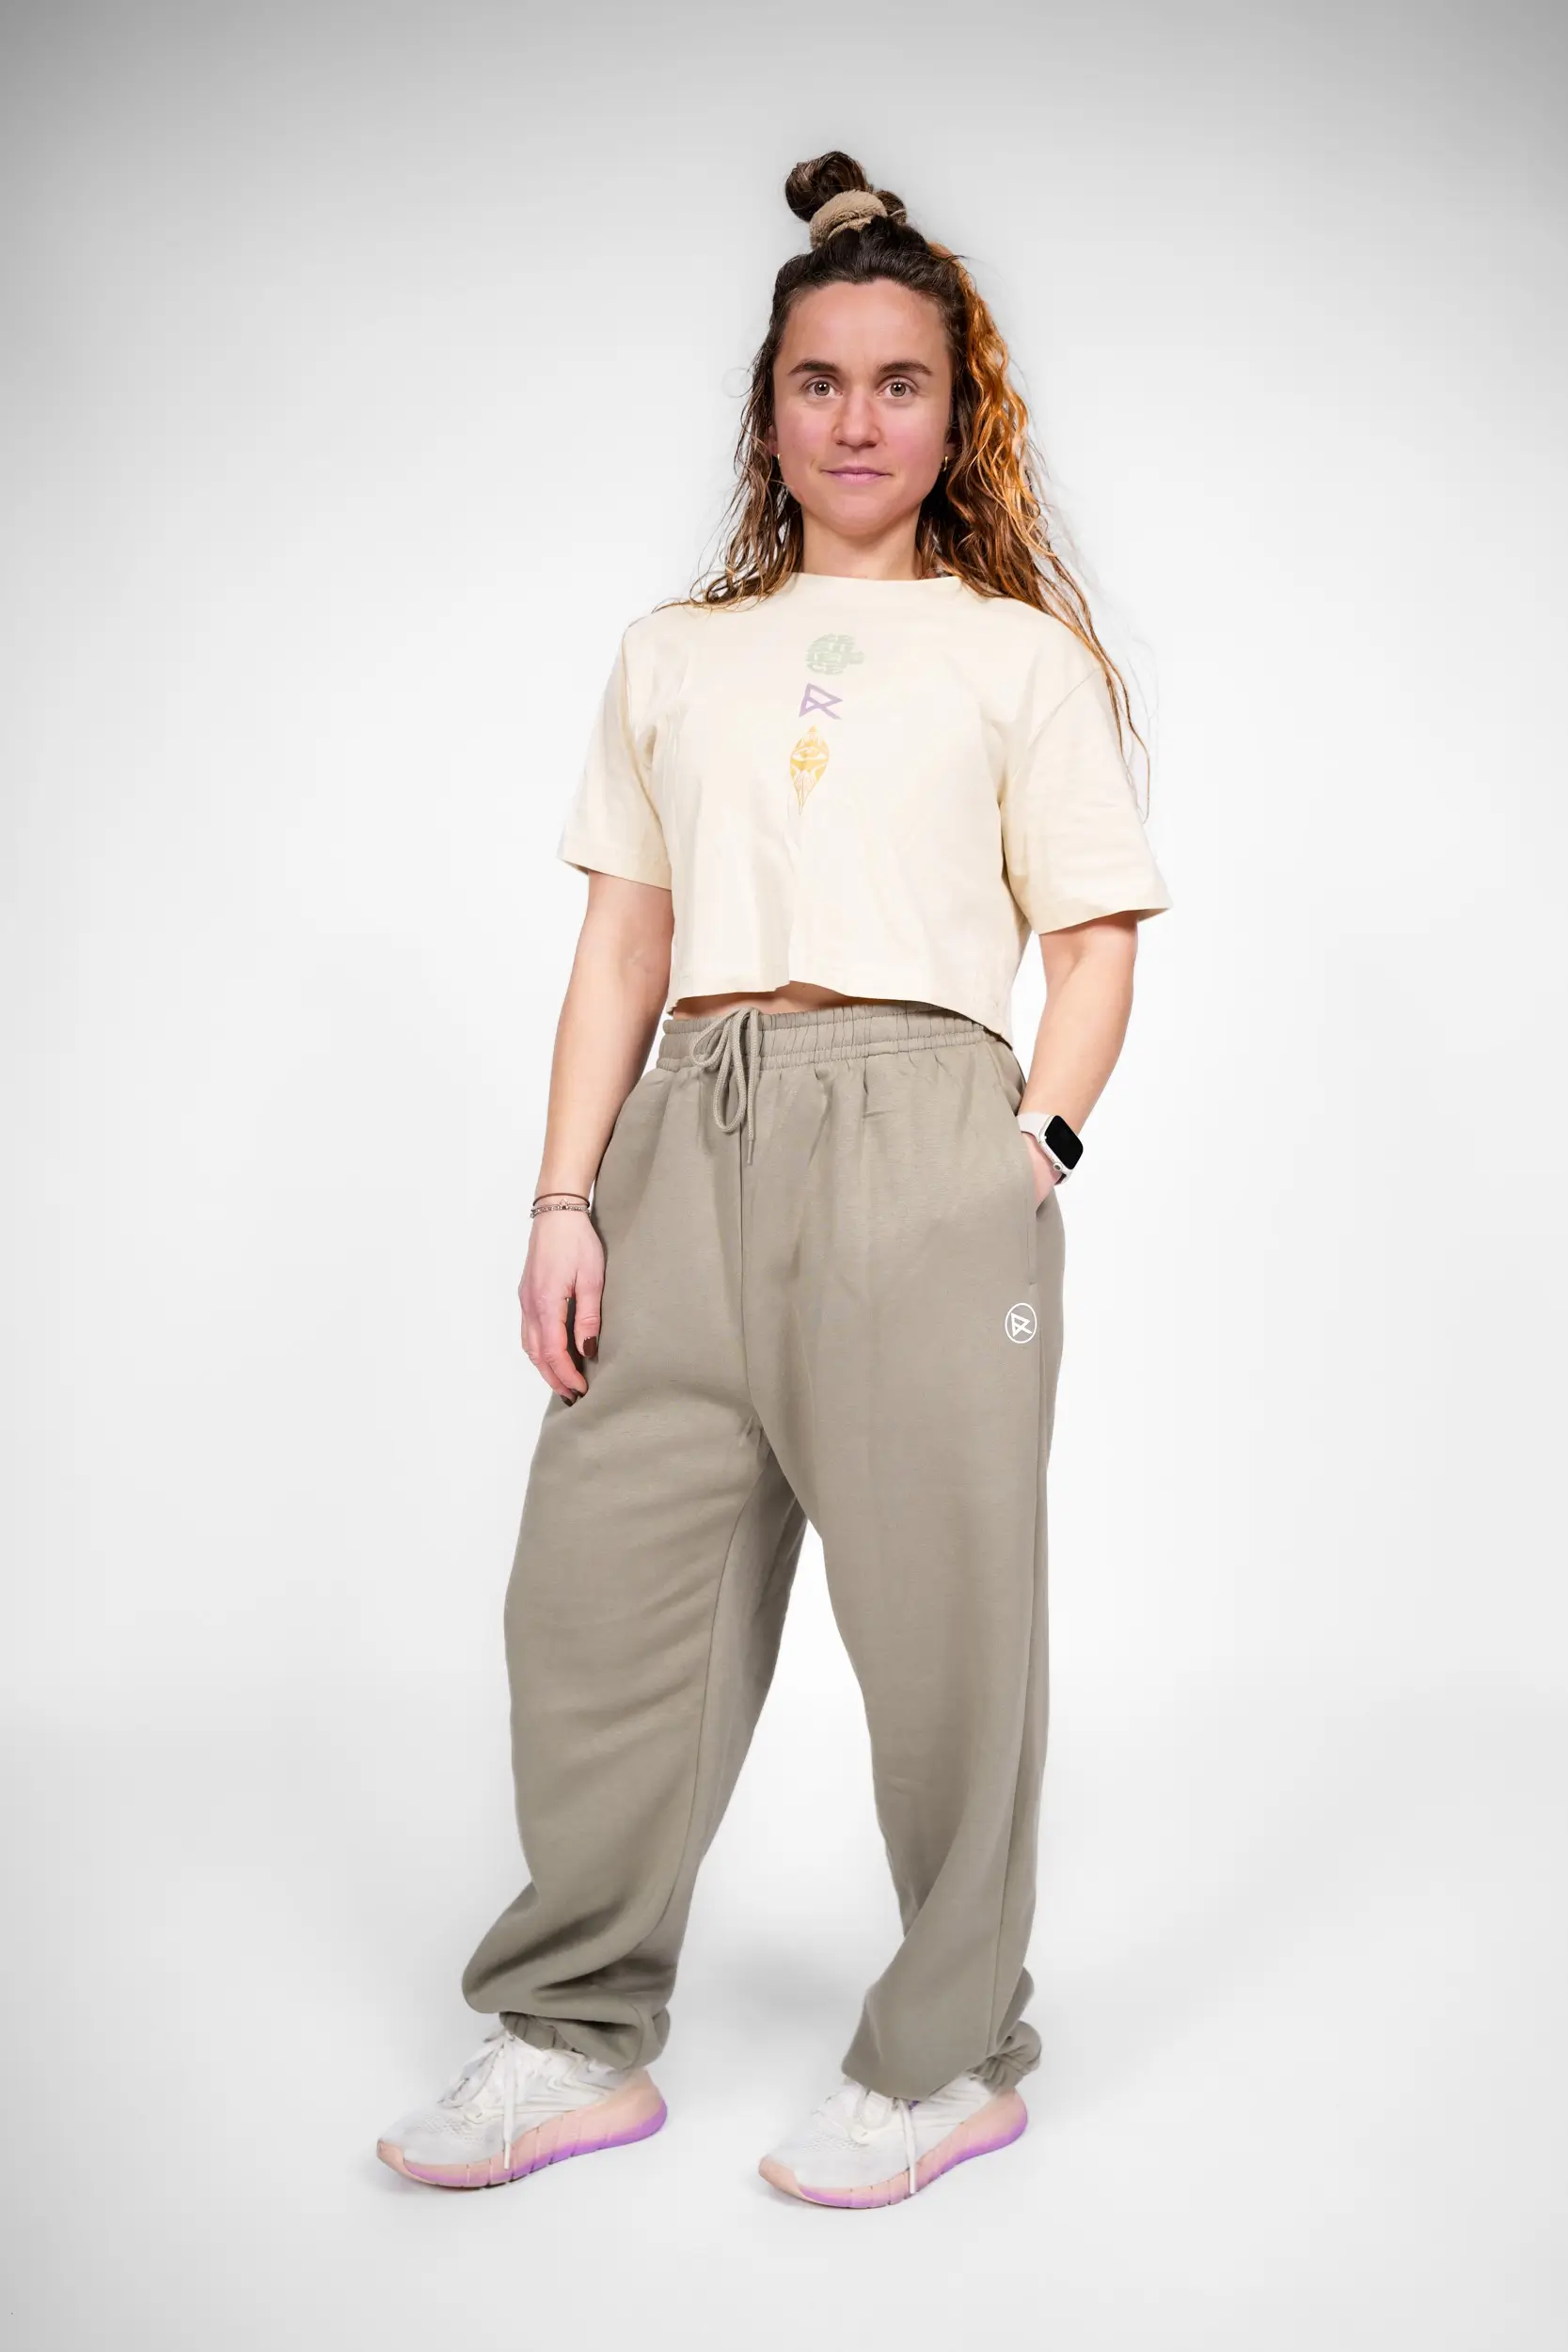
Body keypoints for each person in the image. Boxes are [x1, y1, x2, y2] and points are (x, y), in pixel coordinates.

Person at [376, 149, 1172, 2210]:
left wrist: (1024, 1157)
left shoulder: (1016, 657)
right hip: (688, 1130)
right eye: (819, 381)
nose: (855, 419)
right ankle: (567, 2030)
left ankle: (945, 2056)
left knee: (944, 1626)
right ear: (768, 408)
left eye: (898, 383)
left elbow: (1092, 944)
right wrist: (564, 1201)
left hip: (924, 1134)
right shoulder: (673, 653)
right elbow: (621, 949)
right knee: (595, 1595)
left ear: (954, 414)